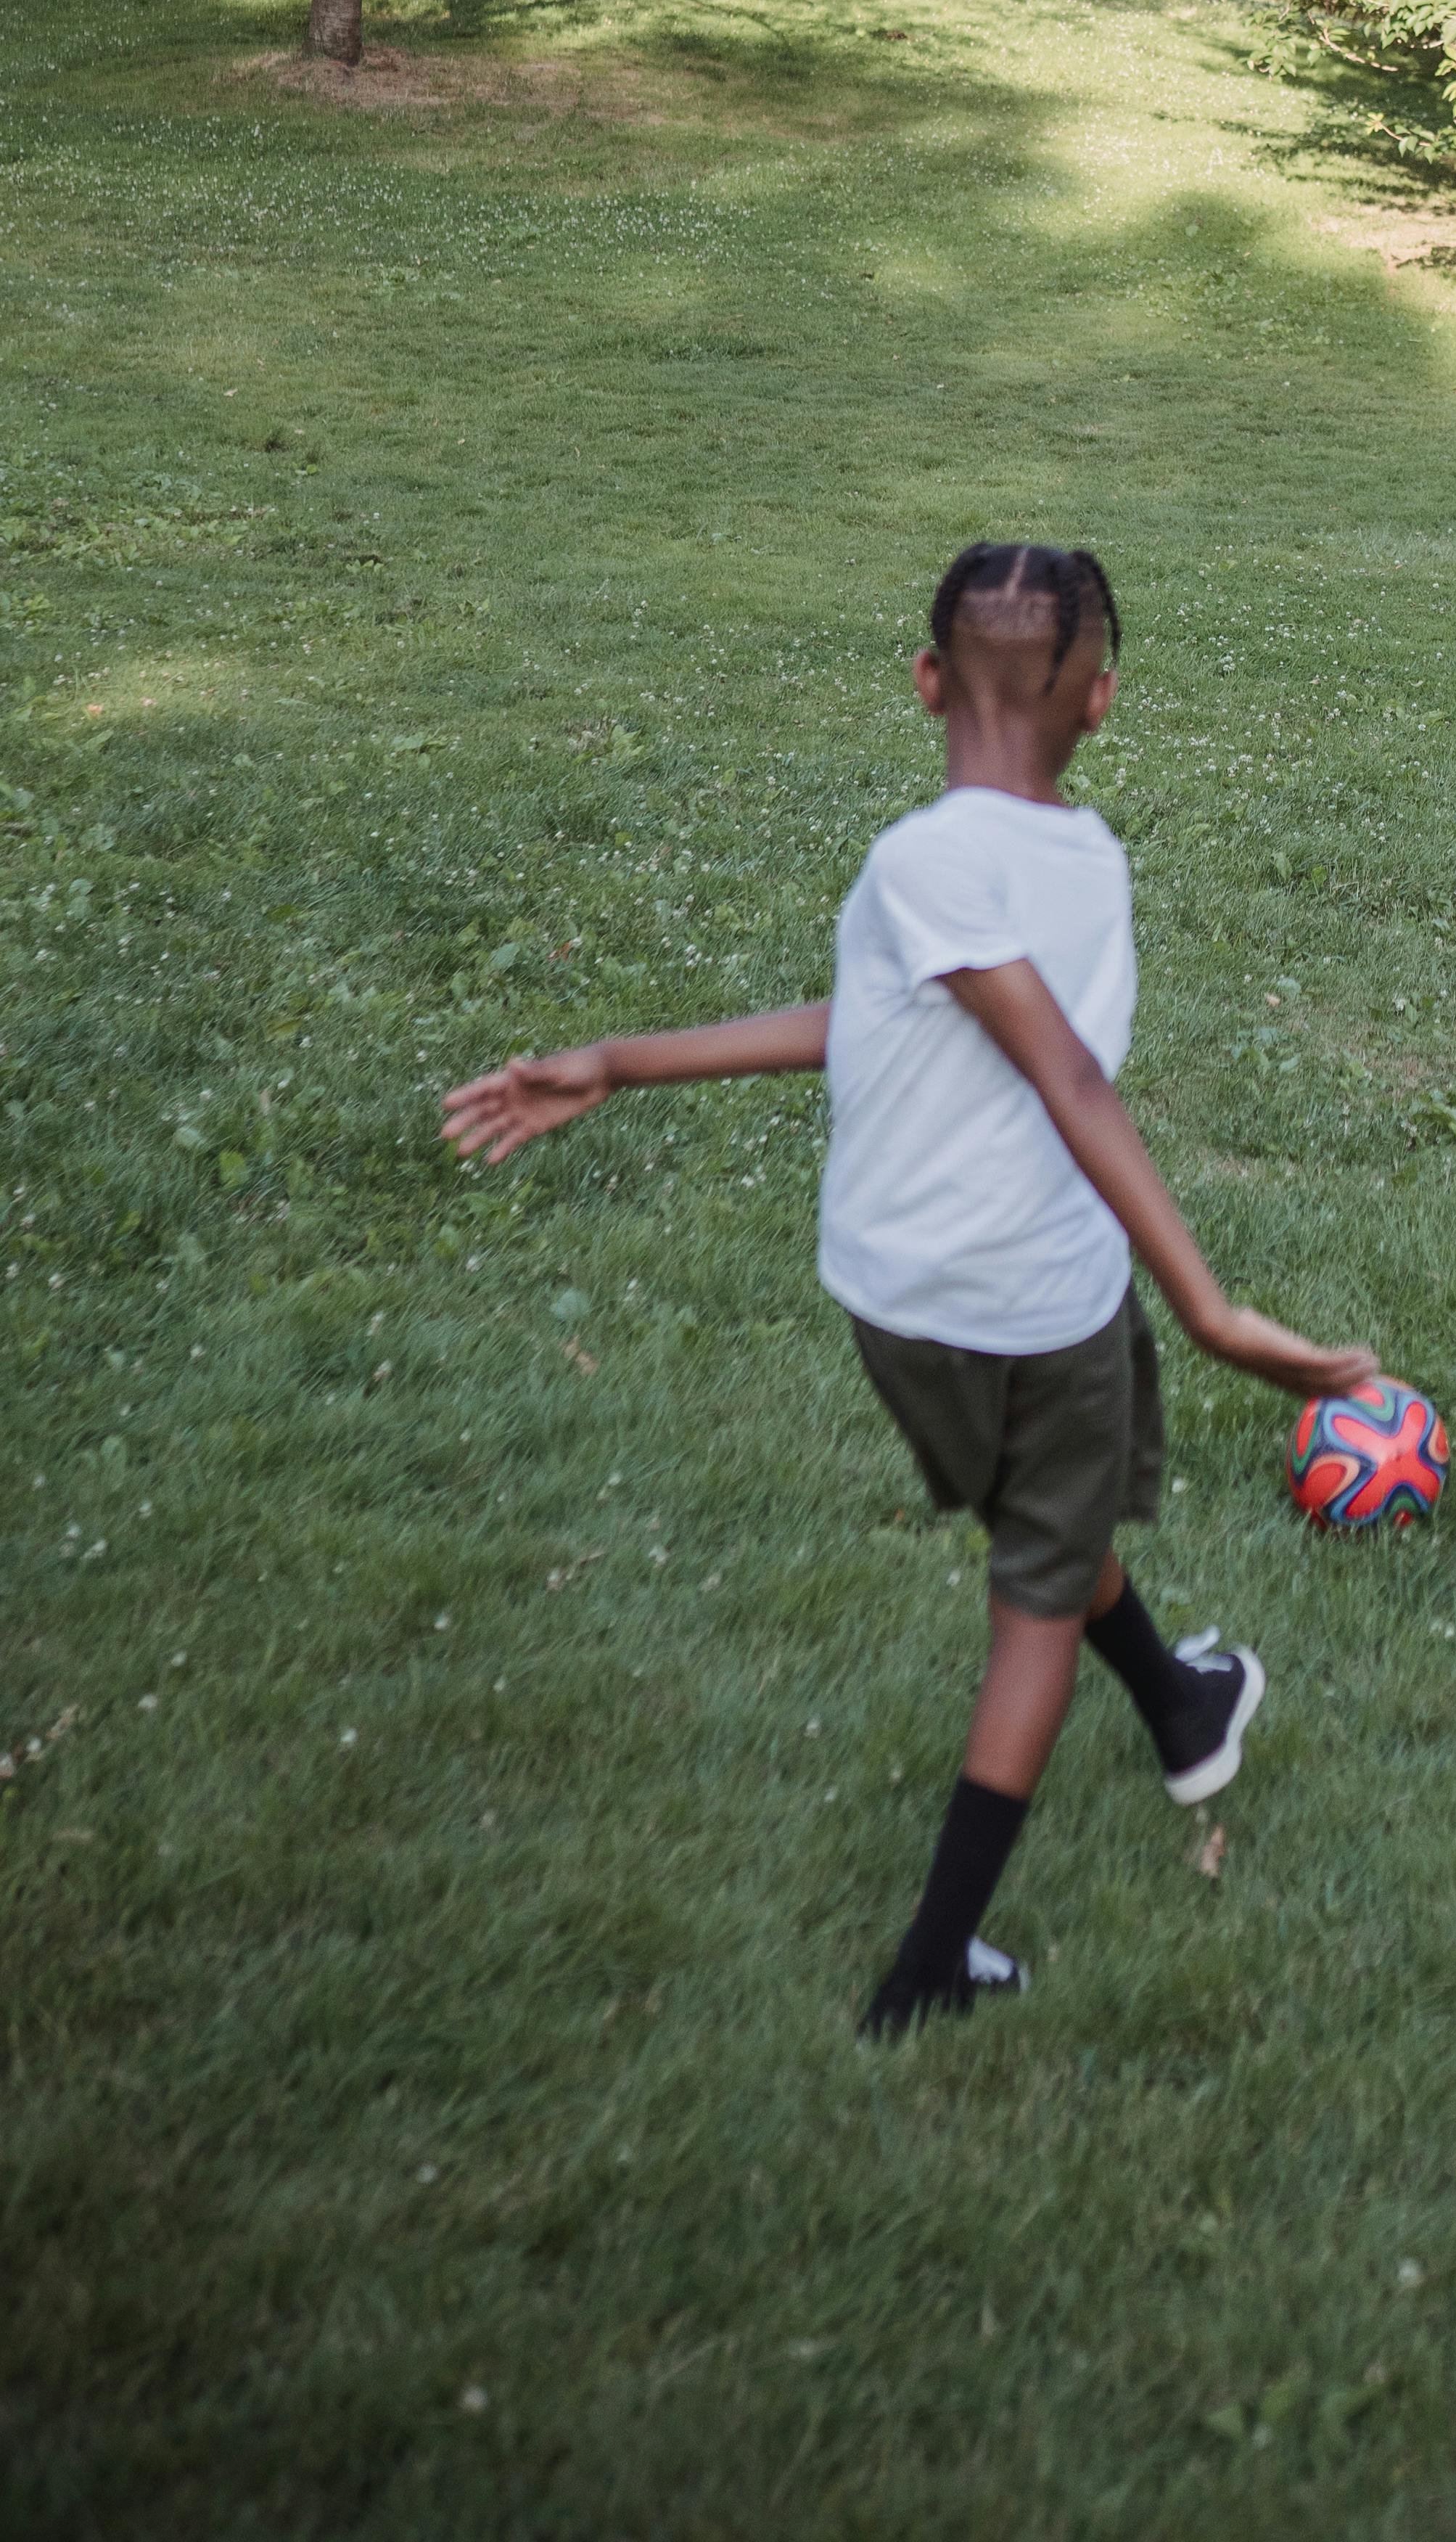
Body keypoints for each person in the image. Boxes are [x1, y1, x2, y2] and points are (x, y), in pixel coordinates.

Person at [440, 541, 1374, 2041]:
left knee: (1045, 1517)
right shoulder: (1065, 862)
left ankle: (1187, 1712)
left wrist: (616, 1061)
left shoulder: (920, 861)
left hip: (895, 1303)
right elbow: (1060, 1068)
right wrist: (1202, 1305)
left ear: (927, 681)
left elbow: (887, 1023)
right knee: (1035, 1598)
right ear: (1103, 703)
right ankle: (931, 1961)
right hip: (1037, 1303)